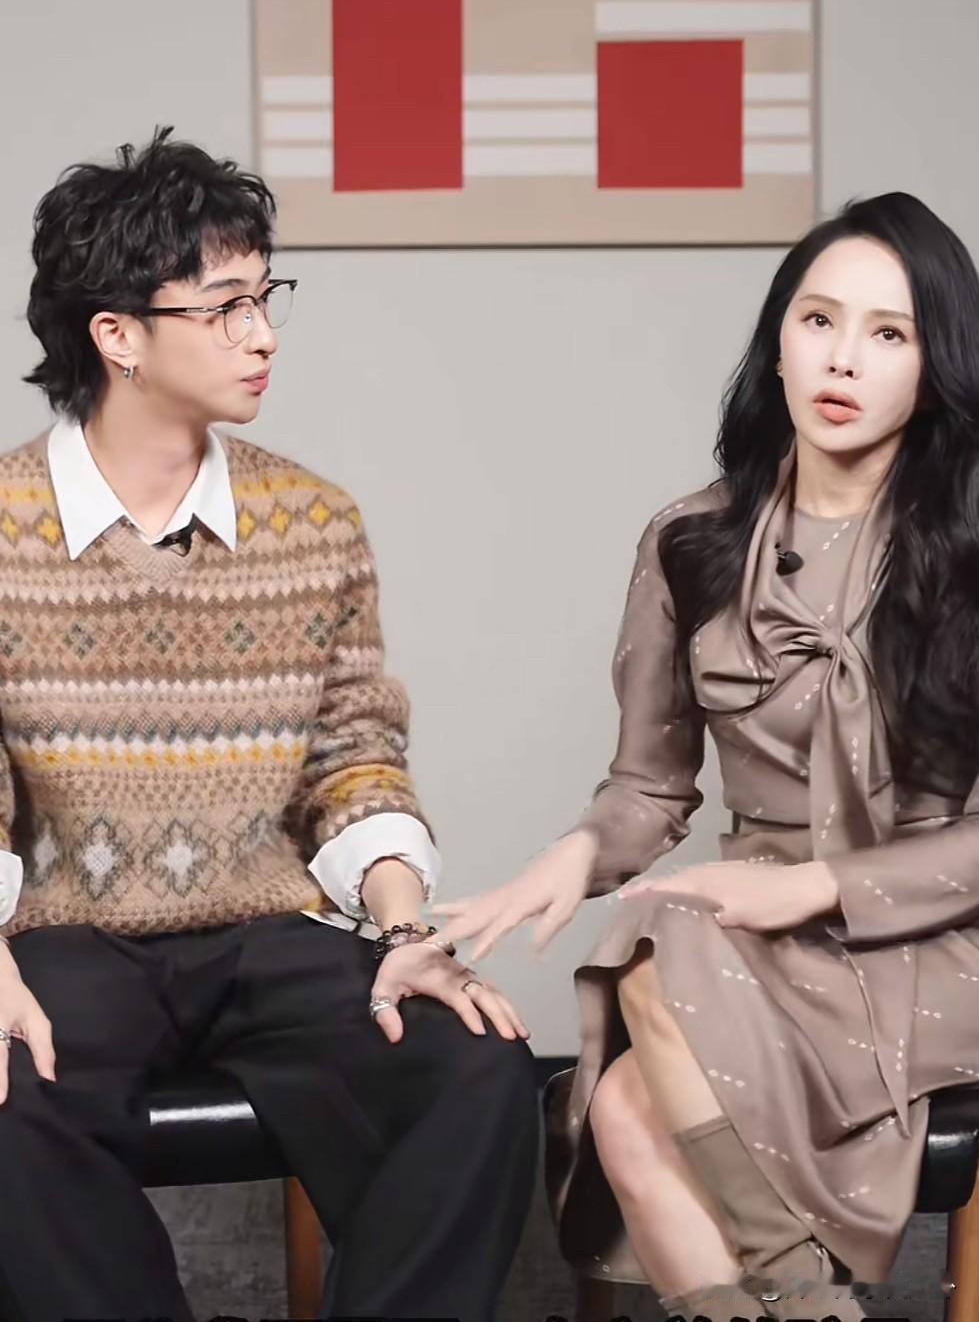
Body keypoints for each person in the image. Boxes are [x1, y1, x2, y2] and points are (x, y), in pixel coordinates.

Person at [0, 127, 538, 1322]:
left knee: (475, 1063)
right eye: (226, 306)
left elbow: (353, 757)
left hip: (269, 934)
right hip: (71, 939)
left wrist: (403, 927)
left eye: (264, 297)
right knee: (2, 1095)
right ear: (118, 335)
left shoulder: (312, 518)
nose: (263, 335)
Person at [437, 192, 979, 1320]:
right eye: (817, 320)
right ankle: (804, 1303)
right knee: (626, 1098)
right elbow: (648, 785)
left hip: (930, 937)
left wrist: (819, 886)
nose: (841, 358)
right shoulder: (691, 539)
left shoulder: (969, 553)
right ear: (777, 341)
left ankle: (791, 1293)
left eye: (888, 333)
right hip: (746, 948)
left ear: (934, 370)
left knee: (660, 942)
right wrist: (575, 854)